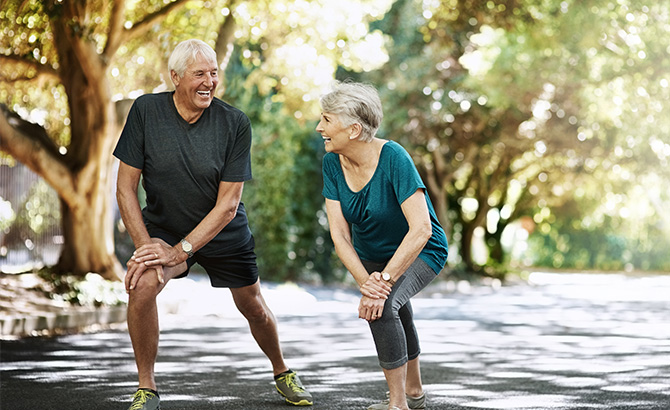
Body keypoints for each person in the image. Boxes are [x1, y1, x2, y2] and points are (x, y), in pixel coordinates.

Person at [114, 39, 313, 410]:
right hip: (166, 228)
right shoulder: (146, 111)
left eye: (214, 73)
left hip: (222, 230)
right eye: (199, 74)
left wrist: (181, 251)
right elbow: (125, 188)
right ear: (174, 77)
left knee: (253, 306)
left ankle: (282, 370)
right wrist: (145, 250)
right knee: (142, 286)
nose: (209, 82)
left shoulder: (234, 123)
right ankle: (147, 387)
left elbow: (228, 205)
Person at [317, 81, 448, 410]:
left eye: (327, 120)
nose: (320, 127)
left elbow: (421, 229)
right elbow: (340, 235)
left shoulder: (394, 158)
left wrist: (383, 284)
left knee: (384, 308)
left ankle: (398, 405)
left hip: (422, 249)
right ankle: (414, 392)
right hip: (373, 258)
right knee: (395, 308)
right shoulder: (332, 163)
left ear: (354, 128)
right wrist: (366, 282)